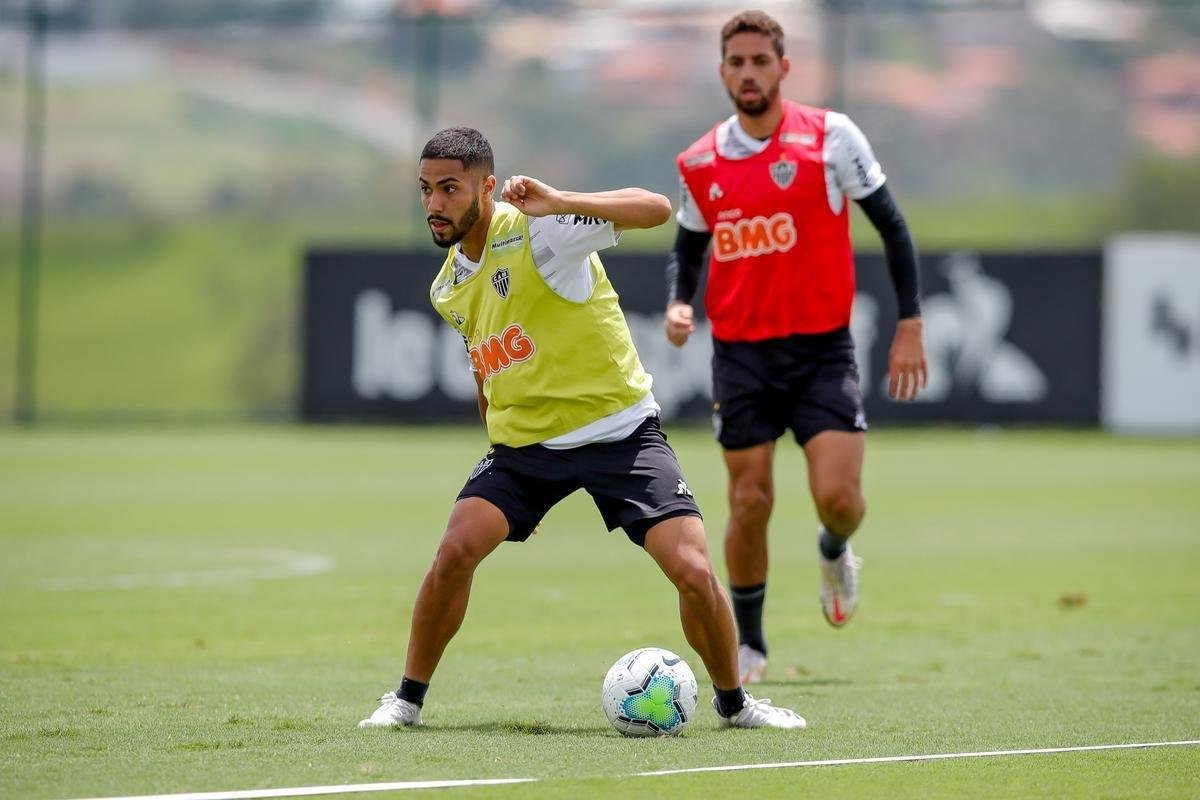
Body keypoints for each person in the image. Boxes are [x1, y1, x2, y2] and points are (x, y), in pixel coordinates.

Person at [359, 126, 805, 731]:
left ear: (486, 188)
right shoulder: (447, 286)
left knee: (694, 572)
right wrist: (514, 479)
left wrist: (560, 200)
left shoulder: (540, 231)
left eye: (449, 189)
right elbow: (485, 370)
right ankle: (406, 702)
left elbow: (656, 208)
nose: (435, 204)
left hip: (620, 433)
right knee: (455, 550)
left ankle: (737, 706)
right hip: (524, 452)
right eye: (426, 190)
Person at [664, 11, 928, 684]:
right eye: (736, 62)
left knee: (839, 498)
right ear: (722, 71)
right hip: (742, 353)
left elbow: (893, 228)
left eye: (760, 60)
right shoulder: (700, 161)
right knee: (749, 500)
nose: (748, 72)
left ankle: (835, 549)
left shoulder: (831, 137)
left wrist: (910, 323)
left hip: (821, 351)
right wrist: (681, 299)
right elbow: (690, 242)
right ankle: (750, 645)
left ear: (785, 67)